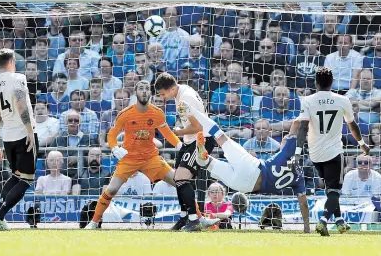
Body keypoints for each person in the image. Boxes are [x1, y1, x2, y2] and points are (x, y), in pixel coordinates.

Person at [85, 80, 218, 230]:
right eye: (141, 88)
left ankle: (200, 218)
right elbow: (111, 134)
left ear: (150, 93)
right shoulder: (125, 114)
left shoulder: (157, 113)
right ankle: (94, 222)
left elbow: (167, 133)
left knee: (180, 181)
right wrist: (115, 148)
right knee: (111, 189)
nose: (144, 91)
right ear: (136, 93)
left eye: (146, 88)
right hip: (129, 159)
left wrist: (180, 145)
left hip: (151, 158)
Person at [177, 101, 311, 233]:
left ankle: (191, 110)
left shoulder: (288, 150)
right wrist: (307, 228)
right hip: (244, 186)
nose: (284, 138)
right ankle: (204, 159)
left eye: (285, 138)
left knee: (218, 134)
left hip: (252, 168)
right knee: (207, 163)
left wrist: (308, 113)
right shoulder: (299, 179)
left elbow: (296, 123)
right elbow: (304, 204)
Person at [295, 67, 370, 236]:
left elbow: (303, 127)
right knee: (334, 191)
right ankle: (323, 220)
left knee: (330, 189)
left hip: (315, 153)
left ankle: (340, 221)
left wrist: (298, 152)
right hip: (334, 152)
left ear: (315, 82)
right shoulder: (342, 100)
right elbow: (353, 126)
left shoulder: (307, 100)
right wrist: (362, 144)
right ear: (332, 83)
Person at [155, 73, 218, 231]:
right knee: (178, 178)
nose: (162, 98)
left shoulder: (184, 99)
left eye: (163, 94)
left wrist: (177, 131)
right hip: (191, 140)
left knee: (182, 178)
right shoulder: (183, 90)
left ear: (172, 89)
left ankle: (194, 220)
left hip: (201, 139)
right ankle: (184, 218)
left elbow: (198, 127)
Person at [0, 48, 38, 231]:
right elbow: (20, 104)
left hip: (7, 138)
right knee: (26, 179)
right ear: (12, 62)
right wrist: (30, 131)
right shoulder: (18, 78)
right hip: (23, 135)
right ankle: (0, 216)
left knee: (16, 176)